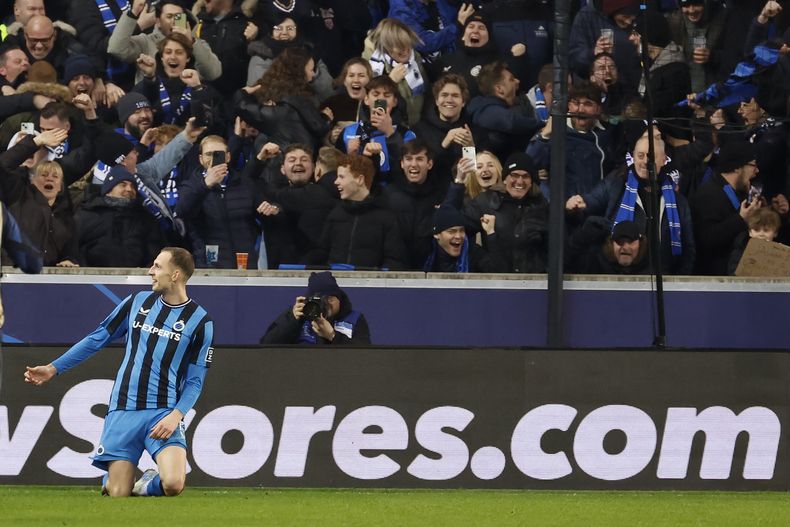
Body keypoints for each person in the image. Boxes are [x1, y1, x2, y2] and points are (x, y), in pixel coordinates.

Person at [24, 247, 214, 497]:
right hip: (123, 409)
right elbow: (96, 339)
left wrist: (176, 415)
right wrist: (53, 368)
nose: (151, 271)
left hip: (163, 412)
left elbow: (195, 382)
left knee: (173, 484)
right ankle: (117, 480)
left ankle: (146, 484)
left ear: (176, 274)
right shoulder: (137, 303)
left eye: (157, 266)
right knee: (117, 493)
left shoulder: (200, 322)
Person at [107, 0, 221, 86]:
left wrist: (191, 42)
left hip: (188, 105)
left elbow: (213, 73)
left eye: (178, 17)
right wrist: (133, 14)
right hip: (153, 104)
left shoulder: (197, 44)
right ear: (158, 21)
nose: (174, 21)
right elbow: (116, 49)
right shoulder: (145, 42)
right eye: (169, 16)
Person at [260, 270, 371, 345]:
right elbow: (266, 346)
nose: (326, 304)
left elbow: (366, 356)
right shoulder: (298, 316)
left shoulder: (354, 319)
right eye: (321, 300)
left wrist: (332, 336)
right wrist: (291, 322)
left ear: (339, 299)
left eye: (330, 299)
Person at [467, 60, 540, 161]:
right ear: (499, 89)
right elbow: (510, 122)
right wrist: (541, 123)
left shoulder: (507, 108)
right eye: (511, 79)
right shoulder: (484, 109)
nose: (517, 81)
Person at [362, 17, 429, 126]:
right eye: (399, 47)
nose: (406, 51)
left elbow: (426, 92)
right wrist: (390, 81)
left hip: (418, 126)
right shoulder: (372, 67)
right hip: (391, 131)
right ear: (386, 47)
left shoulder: (415, 58)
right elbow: (375, 112)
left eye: (407, 45)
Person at [423, 204, 507, 273]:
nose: (458, 236)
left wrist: (490, 233)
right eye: (452, 231)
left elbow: (497, 272)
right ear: (437, 234)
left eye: (462, 231)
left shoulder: (472, 251)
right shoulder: (425, 251)